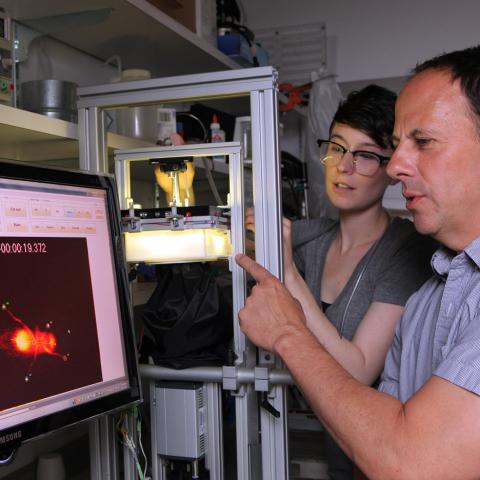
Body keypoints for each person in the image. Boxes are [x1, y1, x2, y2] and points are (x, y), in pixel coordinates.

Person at [236, 43, 480, 479]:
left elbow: (409, 458)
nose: (398, 165)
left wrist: (289, 329)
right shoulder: (430, 294)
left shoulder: (407, 252)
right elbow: (386, 420)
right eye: (336, 148)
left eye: (422, 142)